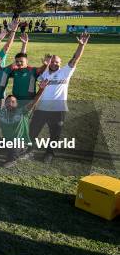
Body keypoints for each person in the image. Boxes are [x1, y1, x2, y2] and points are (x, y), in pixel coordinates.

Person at [30, 32, 90, 163]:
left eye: (56, 62)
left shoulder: (65, 72)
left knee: (55, 134)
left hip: (58, 109)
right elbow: (38, 86)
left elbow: (75, 59)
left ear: (60, 63)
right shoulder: (43, 73)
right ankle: (28, 149)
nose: (54, 64)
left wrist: (81, 46)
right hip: (41, 108)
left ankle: (49, 153)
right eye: (52, 61)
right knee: (33, 131)